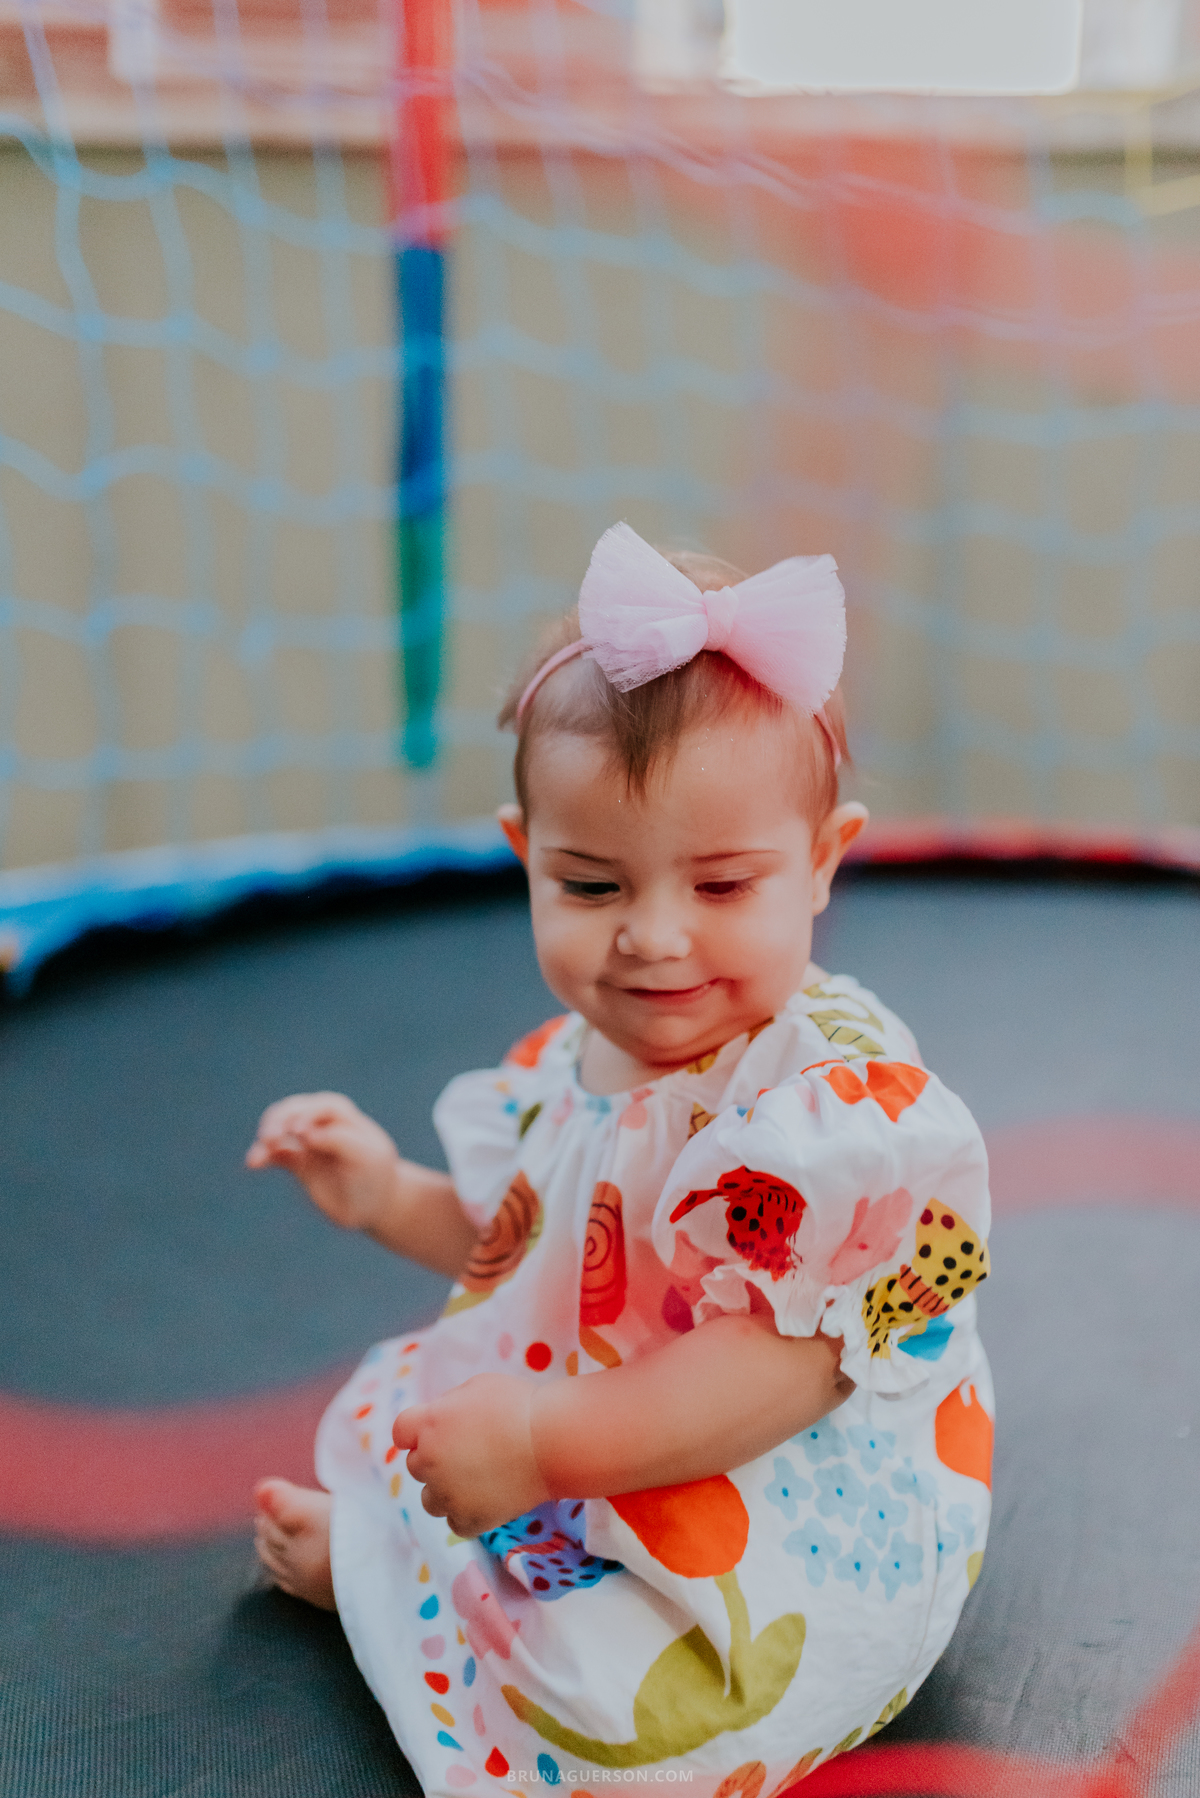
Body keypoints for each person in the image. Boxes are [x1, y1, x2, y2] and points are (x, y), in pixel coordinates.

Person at [248, 523, 994, 1796]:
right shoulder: (567, 1057)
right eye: (592, 886)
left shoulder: (828, 1104)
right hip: (586, 1415)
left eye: (720, 886)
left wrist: (545, 1443)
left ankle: (391, 1594)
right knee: (418, 1436)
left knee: (618, 1706)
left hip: (776, 1500)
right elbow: (529, 1242)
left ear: (821, 861)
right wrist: (382, 1194)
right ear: (523, 853)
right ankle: (396, 1581)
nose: (652, 939)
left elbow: (783, 1374)